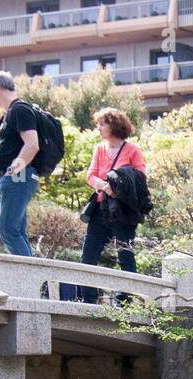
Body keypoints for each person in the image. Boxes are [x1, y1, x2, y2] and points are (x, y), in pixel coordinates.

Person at [79, 107, 146, 303]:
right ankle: (88, 300)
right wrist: (104, 186)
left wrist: (119, 185)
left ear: (114, 125)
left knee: (125, 255)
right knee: (88, 256)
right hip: (101, 208)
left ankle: (124, 302)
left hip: (123, 211)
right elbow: (90, 175)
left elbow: (141, 177)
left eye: (102, 123)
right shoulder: (99, 149)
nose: (98, 127)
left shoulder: (133, 150)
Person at [0, 70, 39, 257]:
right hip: (18, 177)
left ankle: (28, 280)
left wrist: (11, 170)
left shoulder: (19, 109)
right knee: (16, 232)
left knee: (7, 229)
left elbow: (32, 145)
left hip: (18, 177)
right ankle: (32, 282)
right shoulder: (12, 112)